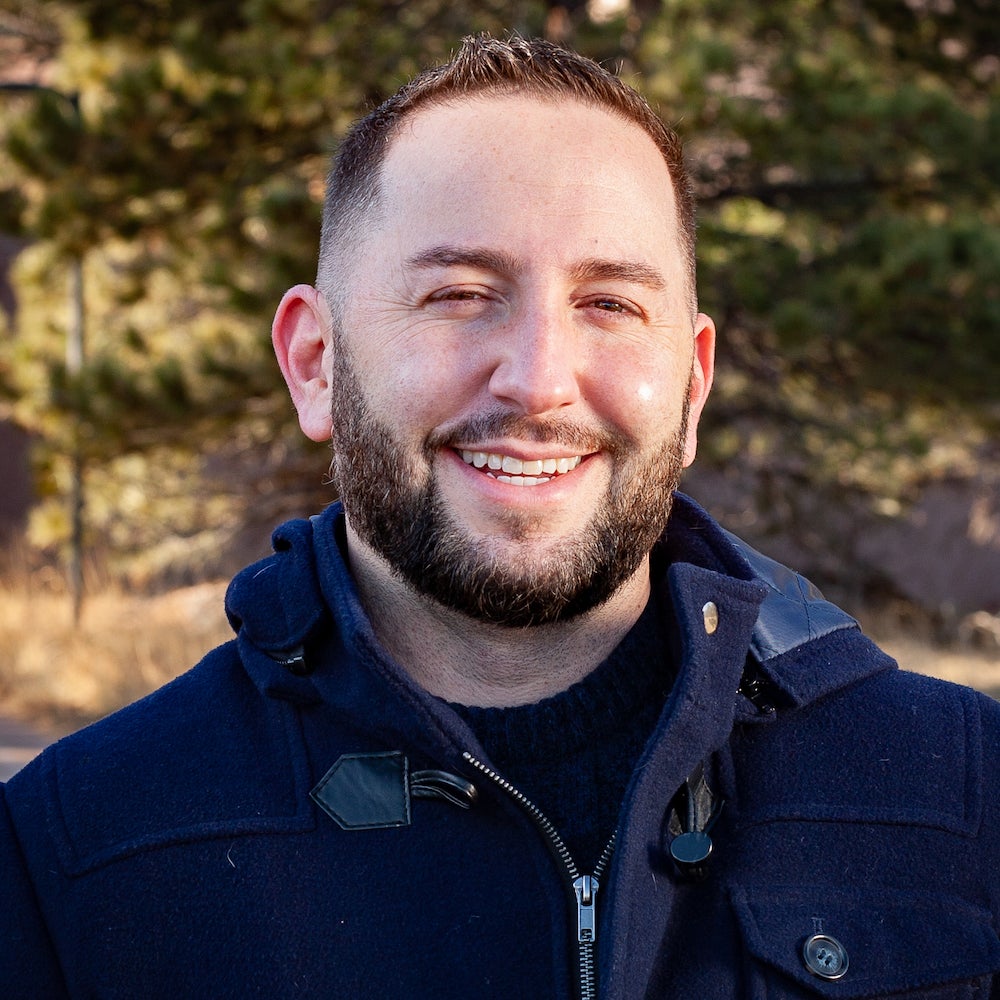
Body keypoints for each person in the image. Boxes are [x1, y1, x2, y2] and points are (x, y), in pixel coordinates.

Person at [2, 33, 998, 1000]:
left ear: (692, 386)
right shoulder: (71, 858)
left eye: (609, 303)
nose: (536, 383)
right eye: (460, 293)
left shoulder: (960, 798)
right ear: (315, 363)